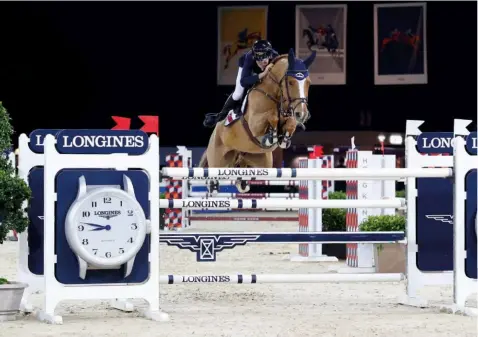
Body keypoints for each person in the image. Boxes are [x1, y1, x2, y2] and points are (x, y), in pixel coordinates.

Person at [204, 39, 279, 128]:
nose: (264, 62)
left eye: (266, 58)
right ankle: (219, 117)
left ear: (269, 55)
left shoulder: (275, 56)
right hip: (247, 69)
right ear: (255, 58)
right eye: (260, 60)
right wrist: (263, 73)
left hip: (263, 71)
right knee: (238, 93)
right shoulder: (249, 57)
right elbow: (244, 81)